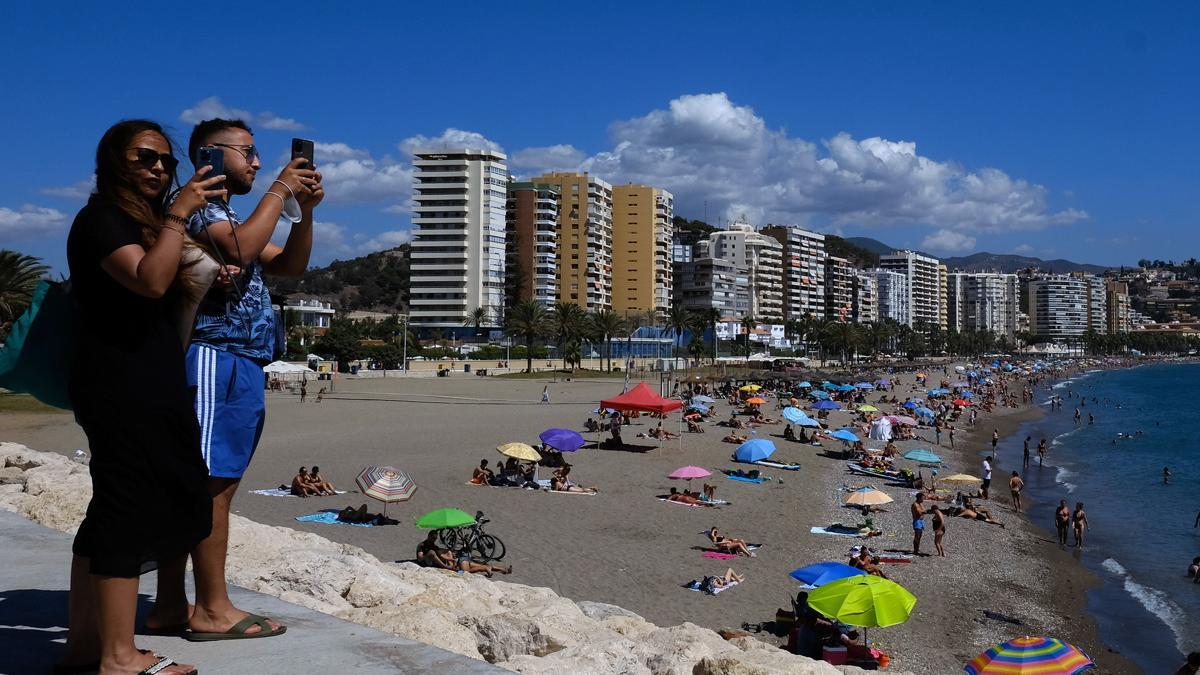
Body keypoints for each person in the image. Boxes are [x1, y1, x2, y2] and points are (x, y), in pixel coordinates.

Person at [59, 120, 221, 675]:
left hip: (147, 379)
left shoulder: (138, 223)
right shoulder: (102, 220)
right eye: (144, 158)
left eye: (165, 161)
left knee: (116, 511)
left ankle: (86, 646)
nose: (158, 168)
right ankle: (120, 656)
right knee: (127, 510)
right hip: (119, 382)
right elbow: (149, 282)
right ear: (113, 162)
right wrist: (179, 215)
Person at [176, 118, 320, 642]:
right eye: (248, 152)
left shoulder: (228, 213)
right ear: (209, 156)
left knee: (211, 482)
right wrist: (281, 189)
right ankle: (211, 609)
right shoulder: (198, 208)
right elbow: (238, 251)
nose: (257, 163)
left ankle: (174, 602)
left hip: (241, 362)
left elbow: (290, 265)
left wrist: (302, 214)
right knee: (213, 486)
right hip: (217, 355)